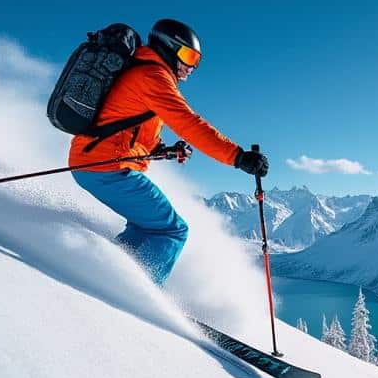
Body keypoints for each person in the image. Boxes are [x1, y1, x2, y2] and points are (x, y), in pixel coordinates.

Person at [69, 18, 268, 283]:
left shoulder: (144, 72)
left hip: (96, 163)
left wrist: (163, 149)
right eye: (187, 56)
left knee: (146, 227)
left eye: (196, 60)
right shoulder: (153, 77)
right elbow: (190, 124)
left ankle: (105, 276)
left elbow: (129, 128)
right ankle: (138, 294)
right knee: (172, 231)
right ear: (167, 47)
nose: (191, 67)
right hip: (106, 166)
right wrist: (238, 156)